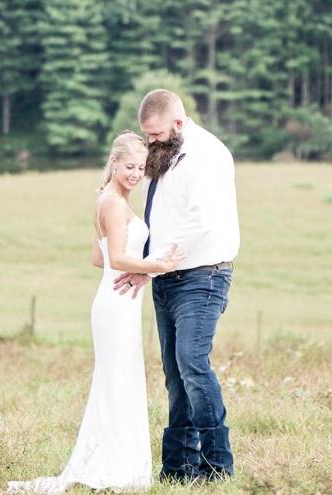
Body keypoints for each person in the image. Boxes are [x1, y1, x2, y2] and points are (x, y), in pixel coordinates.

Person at [5, 131, 183, 494]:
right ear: (114, 163)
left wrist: (139, 269)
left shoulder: (109, 198)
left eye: (141, 167)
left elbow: (97, 258)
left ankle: (118, 459)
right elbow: (116, 259)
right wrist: (157, 265)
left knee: (119, 378)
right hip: (116, 304)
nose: (136, 173)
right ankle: (116, 465)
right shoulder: (115, 204)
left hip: (115, 298)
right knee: (118, 378)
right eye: (130, 166)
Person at [114, 89, 240, 483]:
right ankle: (177, 467)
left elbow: (200, 221)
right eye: (146, 135)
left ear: (180, 123)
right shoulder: (168, 154)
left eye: (155, 135)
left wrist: (152, 265)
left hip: (202, 276)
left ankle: (217, 467)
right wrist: (149, 267)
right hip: (166, 279)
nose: (150, 142)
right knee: (173, 371)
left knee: (192, 364)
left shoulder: (207, 155)